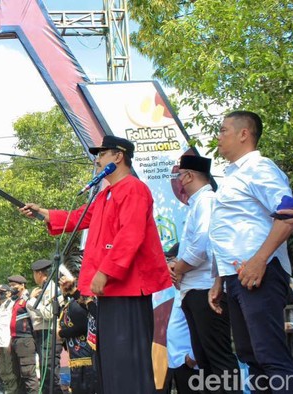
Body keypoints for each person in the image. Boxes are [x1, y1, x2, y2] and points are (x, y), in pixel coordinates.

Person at [20, 135, 171, 394]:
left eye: (101, 154)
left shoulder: (133, 188)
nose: (97, 160)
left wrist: (105, 271)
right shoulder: (104, 196)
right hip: (110, 291)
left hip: (129, 289)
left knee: (127, 361)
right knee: (110, 360)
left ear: (118, 156)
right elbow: (77, 217)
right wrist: (43, 212)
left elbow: (130, 234)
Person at [208, 111, 293, 393]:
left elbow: (291, 212)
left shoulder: (260, 168)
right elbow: (227, 233)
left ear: (243, 134)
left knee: (271, 357)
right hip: (236, 275)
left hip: (259, 272)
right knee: (251, 357)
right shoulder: (233, 174)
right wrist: (218, 280)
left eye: (223, 130)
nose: (218, 137)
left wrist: (260, 260)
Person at [170, 155, 240, 393]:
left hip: (206, 288)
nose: (178, 181)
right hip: (193, 289)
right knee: (204, 359)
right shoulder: (197, 203)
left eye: (179, 175)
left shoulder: (208, 200)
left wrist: (177, 268)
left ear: (188, 176)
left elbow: (202, 245)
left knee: (219, 358)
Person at [57, 272, 98, 394]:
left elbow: (82, 327)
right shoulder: (73, 303)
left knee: (84, 387)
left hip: (84, 356)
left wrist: (61, 334)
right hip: (78, 357)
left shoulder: (76, 305)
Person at [29, 259, 62, 394]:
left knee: (49, 374)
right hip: (41, 332)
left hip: (48, 332)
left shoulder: (51, 288)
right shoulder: (43, 288)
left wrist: (31, 301)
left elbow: (48, 313)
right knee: (44, 372)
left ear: (39, 273)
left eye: (34, 273)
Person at [0, 283, 20, 393]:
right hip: (0, 342)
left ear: (9, 293)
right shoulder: (1, 306)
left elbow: (12, 325)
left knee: (10, 370)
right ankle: (7, 389)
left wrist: (11, 341)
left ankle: (12, 391)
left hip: (8, 341)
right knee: (3, 370)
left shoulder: (13, 305)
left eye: (1, 292)